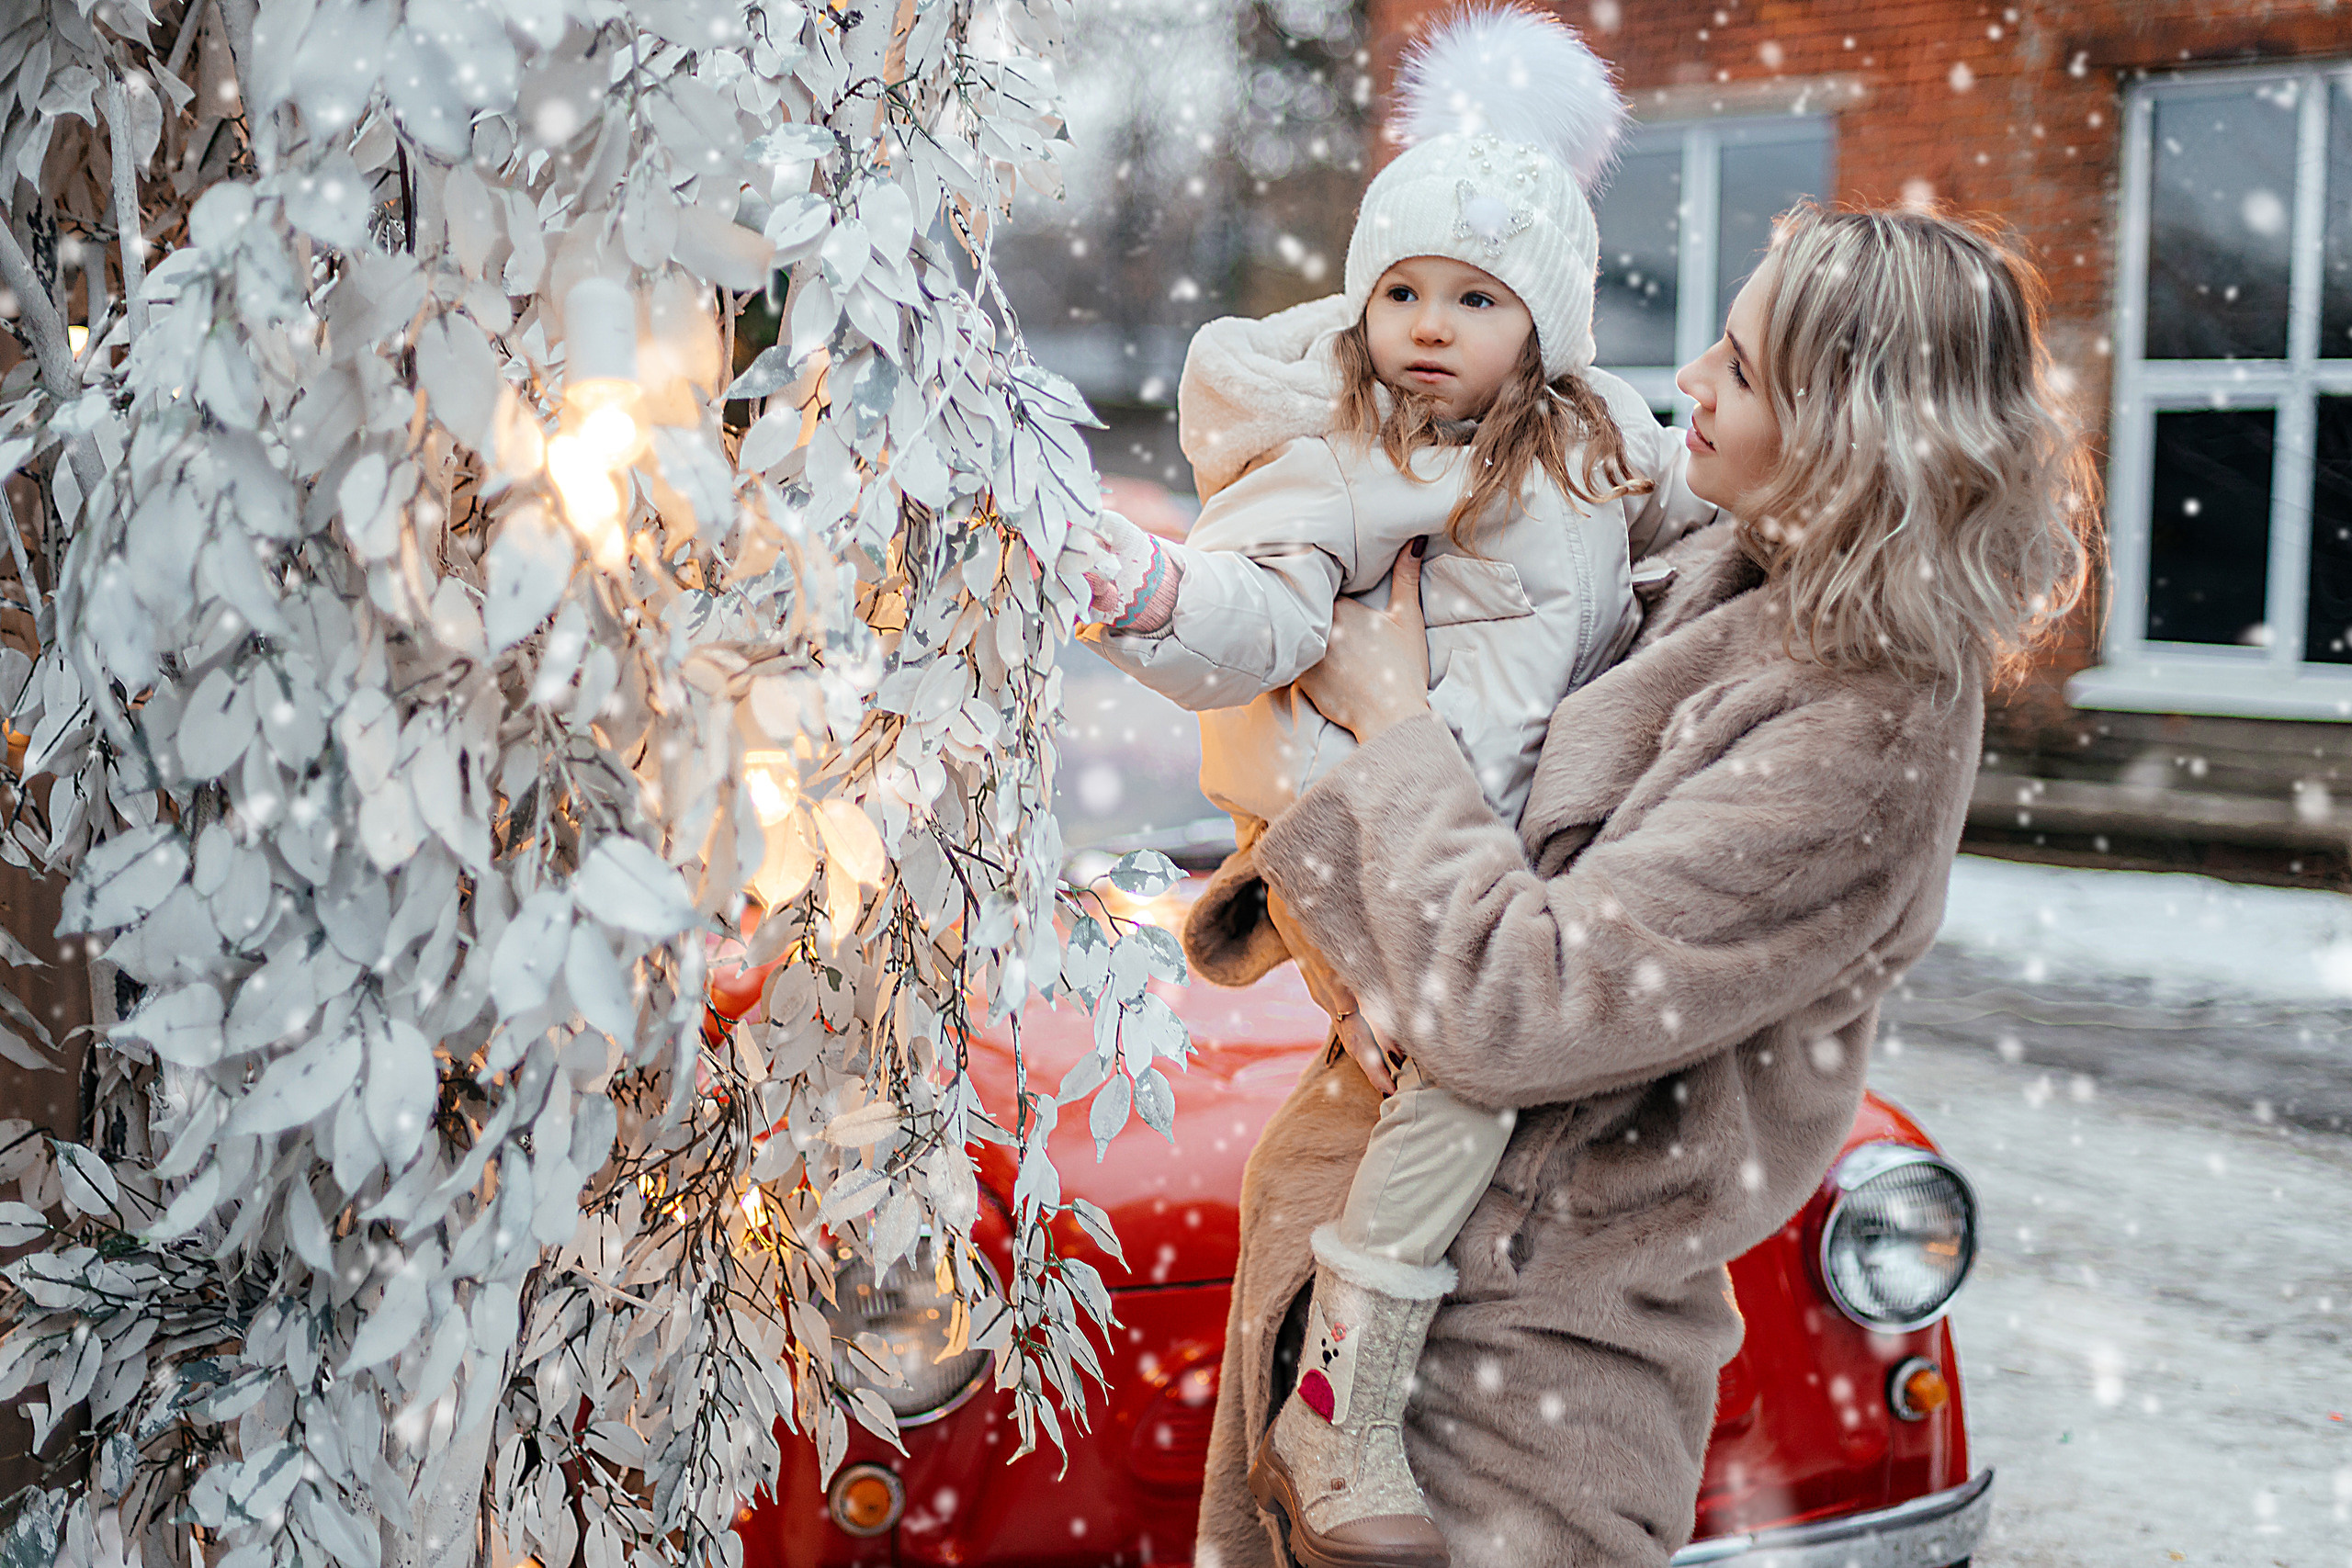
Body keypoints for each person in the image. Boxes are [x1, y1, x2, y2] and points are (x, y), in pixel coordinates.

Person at [1182, 199, 2097, 1568]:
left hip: (1505, 1394)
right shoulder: (1717, 566)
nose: (1690, 382)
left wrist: (1393, 722)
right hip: (1358, 1293)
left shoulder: (1863, 732)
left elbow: (1520, 1003)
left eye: (1740, 370)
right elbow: (1483, 830)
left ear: (1847, 433)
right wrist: (1347, 954)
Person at [1077, 12, 1714, 1563]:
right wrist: (1149, 594)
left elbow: (1702, 523)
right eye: (1403, 291)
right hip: (1376, 840)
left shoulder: (1603, 446)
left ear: (1547, 327)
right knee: (1470, 1074)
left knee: (1471, 1073)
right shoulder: (1351, 455)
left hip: (1493, 861)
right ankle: (1341, 1406)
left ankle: (1343, 1402)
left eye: (1477, 298)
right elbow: (1262, 609)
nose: (1430, 326)